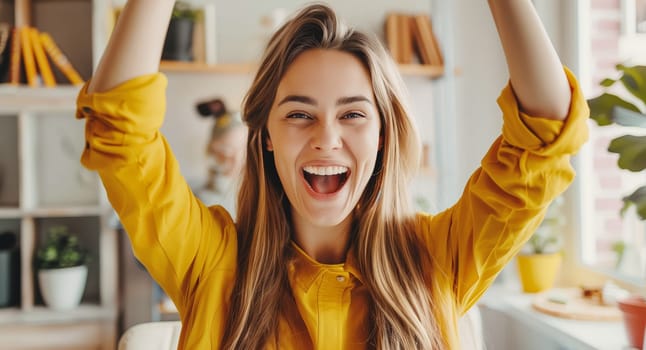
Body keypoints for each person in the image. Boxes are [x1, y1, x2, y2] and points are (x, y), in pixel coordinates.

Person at [76, 0, 589, 349]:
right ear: (267, 135)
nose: (326, 137)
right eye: (300, 114)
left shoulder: (439, 259)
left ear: (383, 135)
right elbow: (121, 134)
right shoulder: (211, 262)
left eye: (353, 114)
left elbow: (544, 135)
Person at [194, 98, 247, 213]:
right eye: (227, 150)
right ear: (214, 151)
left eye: (243, 149)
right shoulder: (205, 199)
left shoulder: (259, 193)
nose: (236, 159)